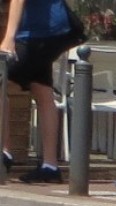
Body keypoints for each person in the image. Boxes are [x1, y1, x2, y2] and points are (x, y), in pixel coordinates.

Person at [1, 0, 75, 183]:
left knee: (2, 80)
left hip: (33, 31)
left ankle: (4, 153)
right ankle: (50, 166)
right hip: (48, 31)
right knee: (42, 89)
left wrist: (8, 38)